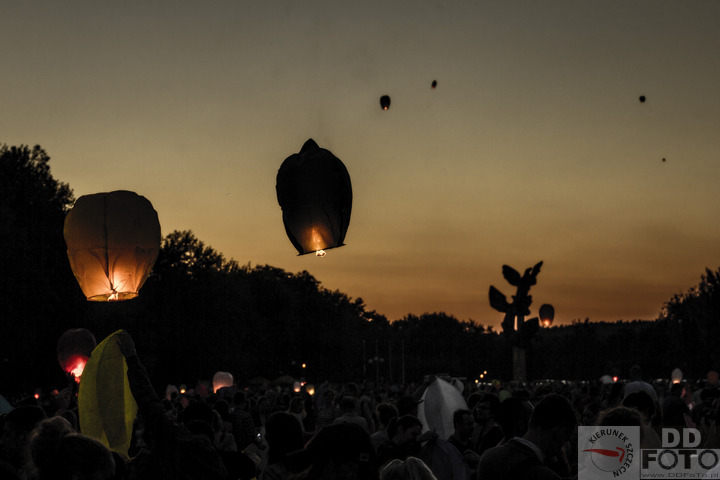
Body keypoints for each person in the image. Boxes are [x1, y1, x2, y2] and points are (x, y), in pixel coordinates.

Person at [477, 393, 577, 480]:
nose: (564, 445)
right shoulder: (543, 475)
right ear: (559, 432)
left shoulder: (488, 457)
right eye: (565, 438)